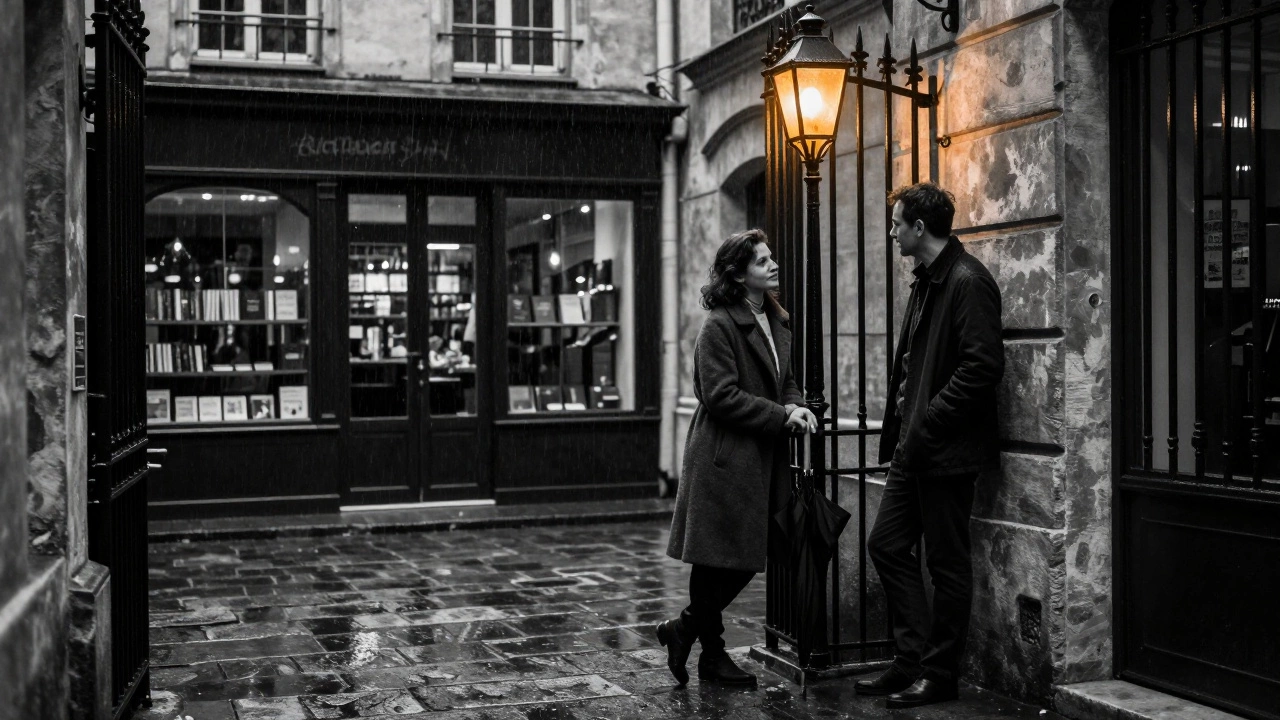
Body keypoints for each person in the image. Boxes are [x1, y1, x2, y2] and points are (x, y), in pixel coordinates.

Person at [855, 183, 1004, 709]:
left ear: (920, 229)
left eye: (897, 223)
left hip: (944, 451)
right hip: (915, 449)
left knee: (946, 564)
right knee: (887, 545)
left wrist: (928, 421)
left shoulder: (967, 281)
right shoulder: (928, 281)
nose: (892, 231)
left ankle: (939, 674)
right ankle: (909, 660)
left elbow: (982, 367)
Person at [660, 229, 817, 687]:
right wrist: (781, 415)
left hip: (760, 455)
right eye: (761, 261)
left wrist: (796, 403)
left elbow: (783, 379)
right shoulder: (719, 325)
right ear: (737, 273)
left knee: (741, 555)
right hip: (723, 457)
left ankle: (686, 633)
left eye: (771, 257)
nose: (772, 265)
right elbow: (720, 396)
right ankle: (708, 651)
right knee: (721, 558)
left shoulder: (775, 317)